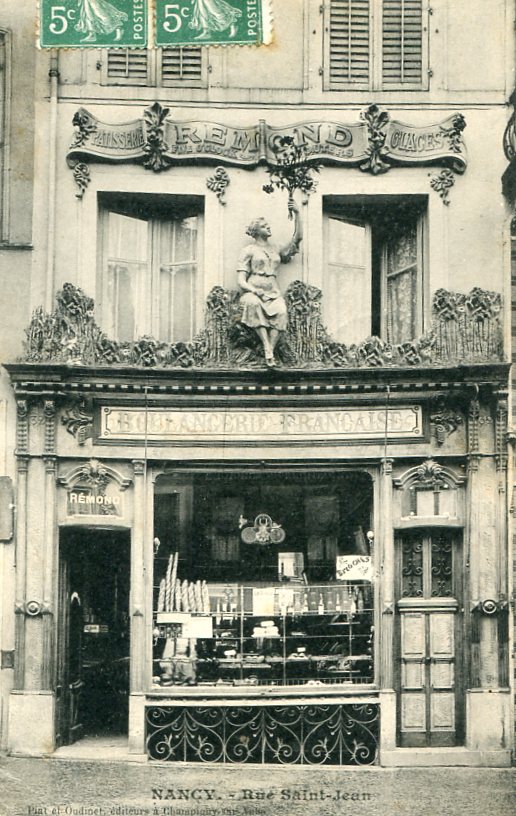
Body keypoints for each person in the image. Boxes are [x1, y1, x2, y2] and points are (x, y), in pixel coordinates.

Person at [237, 202, 303, 366]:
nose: (269, 228)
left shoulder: (276, 248)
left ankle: (270, 350)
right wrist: (254, 290)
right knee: (253, 304)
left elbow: (297, 239)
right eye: (264, 226)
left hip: (273, 291)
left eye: (268, 225)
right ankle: (267, 349)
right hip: (254, 290)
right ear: (256, 231)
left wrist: (298, 214)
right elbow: (241, 280)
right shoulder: (249, 250)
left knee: (281, 312)